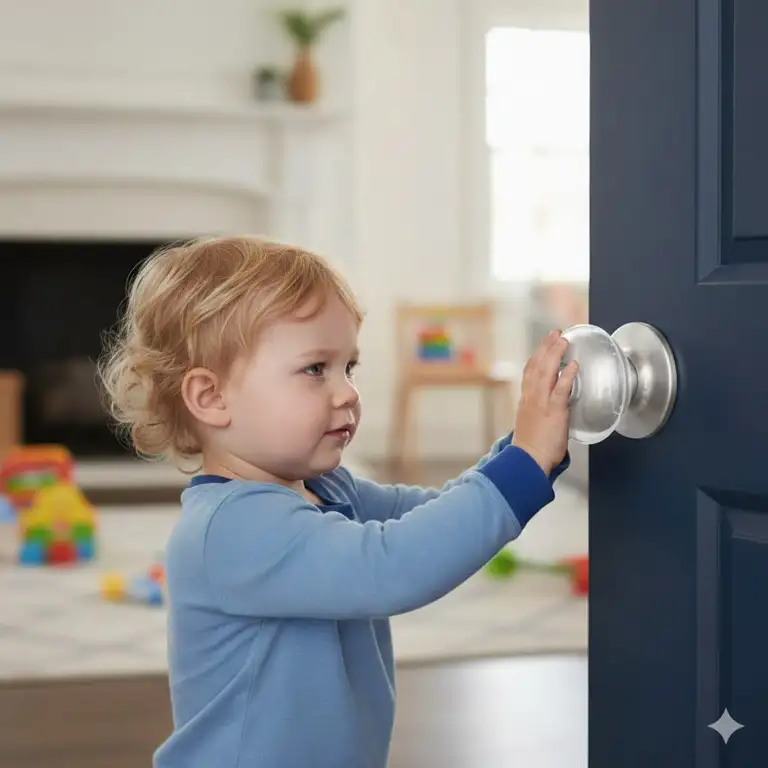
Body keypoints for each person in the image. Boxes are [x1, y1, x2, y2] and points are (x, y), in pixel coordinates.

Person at [98, 235, 578, 768]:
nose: (347, 391)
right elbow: (393, 565)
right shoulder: (231, 529)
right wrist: (525, 462)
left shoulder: (328, 489)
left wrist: (524, 451)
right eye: (314, 369)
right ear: (212, 398)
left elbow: (434, 515)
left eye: (348, 367)